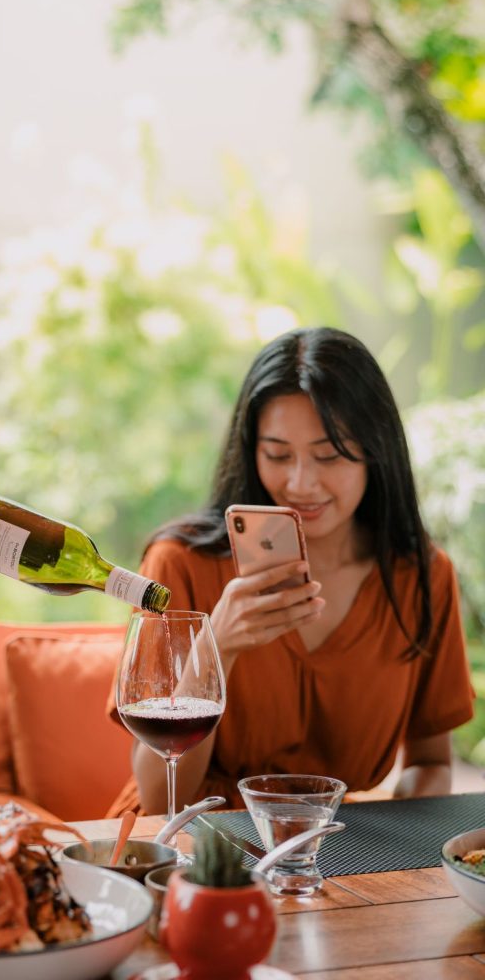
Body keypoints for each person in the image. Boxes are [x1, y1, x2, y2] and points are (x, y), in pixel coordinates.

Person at [113, 326, 473, 814]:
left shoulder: (420, 576)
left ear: (377, 450)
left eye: (329, 455)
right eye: (278, 454)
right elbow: (160, 799)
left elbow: (430, 761)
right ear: (251, 450)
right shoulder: (179, 563)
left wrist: (402, 837)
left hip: (335, 844)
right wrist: (219, 645)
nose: (301, 483)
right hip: (190, 841)